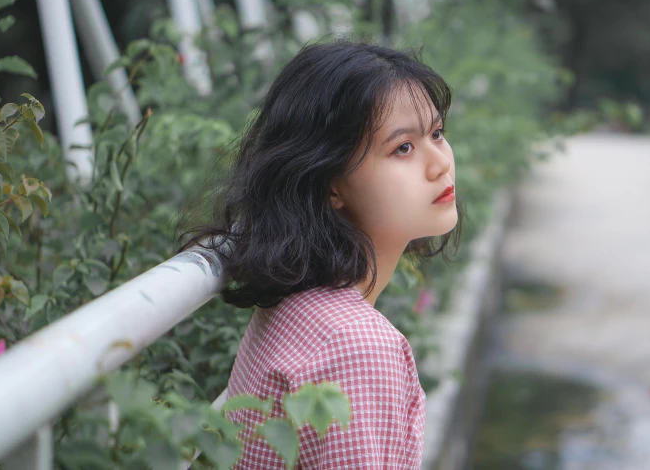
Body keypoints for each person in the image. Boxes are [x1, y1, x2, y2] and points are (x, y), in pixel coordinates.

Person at [177, 38, 463, 468]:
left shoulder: (301, 307)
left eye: (437, 133)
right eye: (403, 147)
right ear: (331, 183)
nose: (439, 162)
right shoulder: (356, 346)